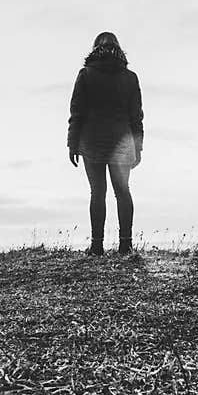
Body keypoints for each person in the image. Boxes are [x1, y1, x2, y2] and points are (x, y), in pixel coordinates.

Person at [67, 31, 144, 256]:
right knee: (123, 191)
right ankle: (125, 245)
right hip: (122, 144)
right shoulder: (130, 78)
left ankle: (97, 246)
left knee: (97, 192)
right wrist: (137, 146)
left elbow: (76, 112)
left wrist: (72, 144)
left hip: (92, 143)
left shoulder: (86, 75)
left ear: (94, 49)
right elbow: (136, 116)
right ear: (119, 49)